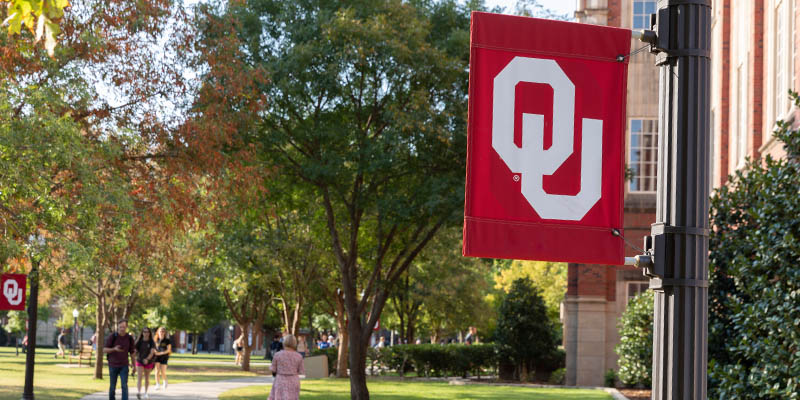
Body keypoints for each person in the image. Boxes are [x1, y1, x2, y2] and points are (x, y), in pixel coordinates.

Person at [103, 319, 136, 400]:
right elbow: (104, 350)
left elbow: (132, 353)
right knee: (112, 386)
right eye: (120, 327)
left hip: (124, 365)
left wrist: (134, 366)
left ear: (126, 327)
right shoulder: (112, 336)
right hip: (113, 365)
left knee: (124, 385)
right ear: (117, 327)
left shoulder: (129, 338)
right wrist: (114, 349)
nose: (122, 329)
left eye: (124, 327)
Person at [268, 334, 304, 400]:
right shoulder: (299, 356)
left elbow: (273, 369)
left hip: (280, 380)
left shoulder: (277, 355)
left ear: (284, 342)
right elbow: (301, 371)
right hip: (294, 380)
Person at [133, 327, 156, 399]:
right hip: (139, 361)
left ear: (149, 333)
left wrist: (147, 359)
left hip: (149, 361)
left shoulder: (151, 342)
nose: (146, 333)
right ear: (142, 333)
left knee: (147, 378)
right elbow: (135, 351)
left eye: (147, 332)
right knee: (139, 377)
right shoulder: (139, 341)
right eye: (144, 332)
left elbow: (152, 352)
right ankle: (139, 392)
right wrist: (132, 359)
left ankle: (146, 393)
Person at [153, 327, 171, 391]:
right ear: (158, 332)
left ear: (165, 332)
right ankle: (157, 384)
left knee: (163, 371)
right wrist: (155, 352)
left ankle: (165, 381)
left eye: (163, 331)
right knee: (157, 371)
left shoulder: (167, 340)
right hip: (157, 357)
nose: (162, 332)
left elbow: (168, 350)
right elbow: (153, 348)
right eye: (160, 331)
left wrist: (161, 353)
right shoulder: (155, 339)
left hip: (164, 357)